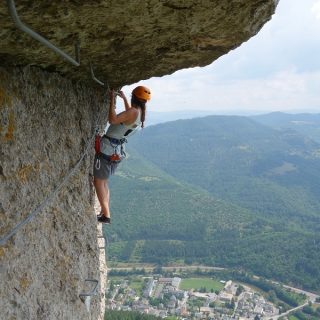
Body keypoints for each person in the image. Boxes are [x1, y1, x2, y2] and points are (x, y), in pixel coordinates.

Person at [93, 85, 151, 224]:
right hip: (116, 151)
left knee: (98, 181)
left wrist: (112, 100)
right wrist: (124, 99)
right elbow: (128, 114)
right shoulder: (140, 112)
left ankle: (106, 214)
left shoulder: (133, 112)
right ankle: (104, 210)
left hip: (108, 149)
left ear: (134, 97)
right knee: (104, 182)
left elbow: (112, 120)